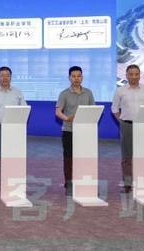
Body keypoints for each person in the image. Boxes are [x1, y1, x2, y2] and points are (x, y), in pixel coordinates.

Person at [111, 64, 144, 193]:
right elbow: (114, 108)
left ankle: (143, 181)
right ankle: (128, 183)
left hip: (143, 126)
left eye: (136, 74)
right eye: (131, 74)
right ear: (126, 75)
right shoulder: (120, 91)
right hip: (127, 126)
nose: (134, 77)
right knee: (127, 157)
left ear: (140, 75)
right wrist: (121, 122)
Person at [55, 66, 95, 196]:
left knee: (84, 158)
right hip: (69, 131)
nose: (76, 79)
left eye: (79, 76)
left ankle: (83, 183)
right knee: (69, 159)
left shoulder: (88, 93)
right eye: (74, 76)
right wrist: (67, 118)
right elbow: (58, 112)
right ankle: (69, 184)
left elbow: (93, 110)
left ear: (82, 77)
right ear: (69, 78)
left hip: (85, 132)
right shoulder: (64, 94)